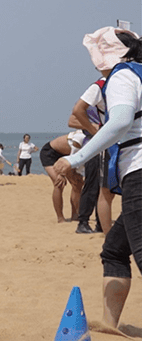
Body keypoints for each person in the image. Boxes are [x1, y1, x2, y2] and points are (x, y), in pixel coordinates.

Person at [53, 27, 142, 334]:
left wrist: (75, 158)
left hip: (140, 171)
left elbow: (119, 121)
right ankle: (110, 327)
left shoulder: (121, 76)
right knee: (115, 249)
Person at [70, 64, 113, 234]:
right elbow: (73, 118)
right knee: (93, 184)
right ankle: (83, 221)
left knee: (106, 186)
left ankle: (100, 223)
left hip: (109, 144)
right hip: (94, 146)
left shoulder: (117, 87)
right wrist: (94, 128)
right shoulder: (98, 88)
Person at [40, 132, 87, 223]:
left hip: (67, 156)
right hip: (51, 154)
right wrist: (62, 173)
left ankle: (75, 215)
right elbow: (74, 155)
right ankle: (60, 218)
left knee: (78, 183)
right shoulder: (81, 136)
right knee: (59, 183)